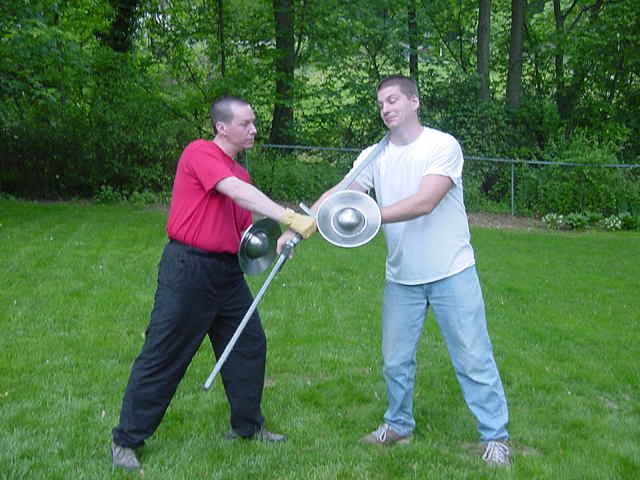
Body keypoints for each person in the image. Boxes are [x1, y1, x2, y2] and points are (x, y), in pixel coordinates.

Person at [281, 75, 510, 466]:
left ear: (414, 102)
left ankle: (495, 437)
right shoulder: (374, 155)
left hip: (451, 271)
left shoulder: (442, 145)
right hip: (402, 277)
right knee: (395, 360)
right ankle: (398, 425)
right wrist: (300, 227)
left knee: (473, 357)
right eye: (381, 103)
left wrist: (368, 216)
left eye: (393, 100)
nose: (386, 108)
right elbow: (341, 192)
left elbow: (425, 201)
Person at [111, 96, 316, 470]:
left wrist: (279, 242)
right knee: (165, 353)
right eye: (245, 124)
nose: (253, 130)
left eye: (254, 123)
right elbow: (234, 192)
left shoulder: (242, 175)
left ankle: (247, 426)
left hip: (227, 273)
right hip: (189, 270)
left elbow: (244, 232)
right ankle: (126, 439)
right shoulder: (200, 152)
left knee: (248, 345)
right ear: (222, 127)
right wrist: (288, 216)